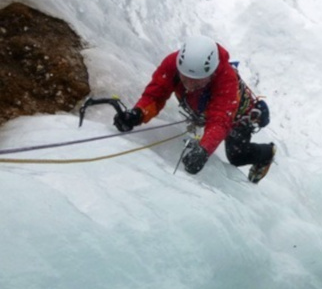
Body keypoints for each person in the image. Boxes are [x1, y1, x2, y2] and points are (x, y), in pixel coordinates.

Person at [113, 35, 276, 183]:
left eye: (197, 81)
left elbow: (220, 120)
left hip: (239, 116)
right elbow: (156, 94)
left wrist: (204, 150)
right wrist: (138, 113)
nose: (190, 85)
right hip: (203, 109)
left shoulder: (226, 79)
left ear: (212, 73)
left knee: (236, 156)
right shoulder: (172, 64)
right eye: (185, 78)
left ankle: (267, 153)